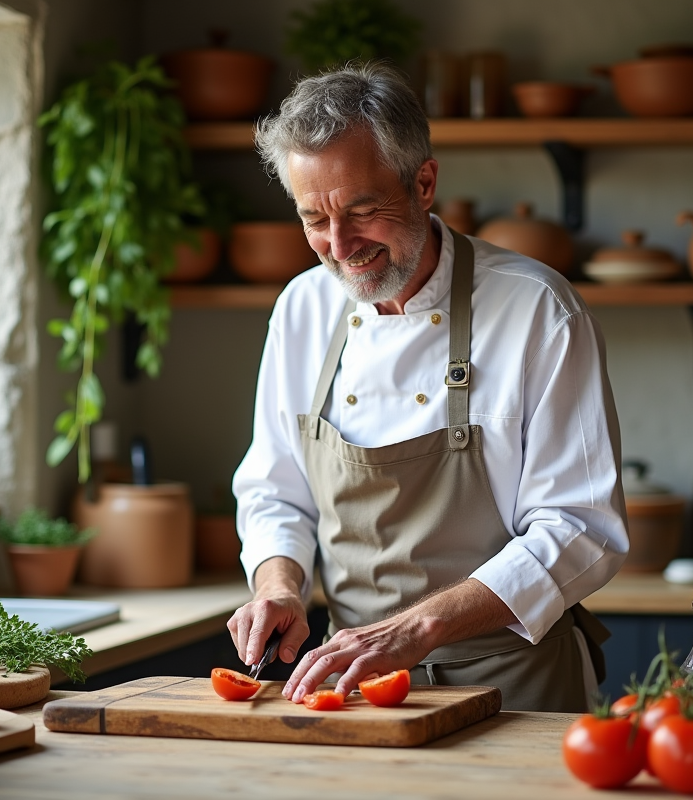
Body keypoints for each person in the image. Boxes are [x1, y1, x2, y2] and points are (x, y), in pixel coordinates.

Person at [228, 62, 629, 712]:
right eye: (314, 220)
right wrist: (278, 585)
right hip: (355, 688)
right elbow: (276, 493)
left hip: (512, 688)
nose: (339, 246)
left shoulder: (539, 311)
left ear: (424, 183)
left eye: (362, 210)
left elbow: (581, 528)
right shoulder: (303, 309)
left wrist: (415, 630)